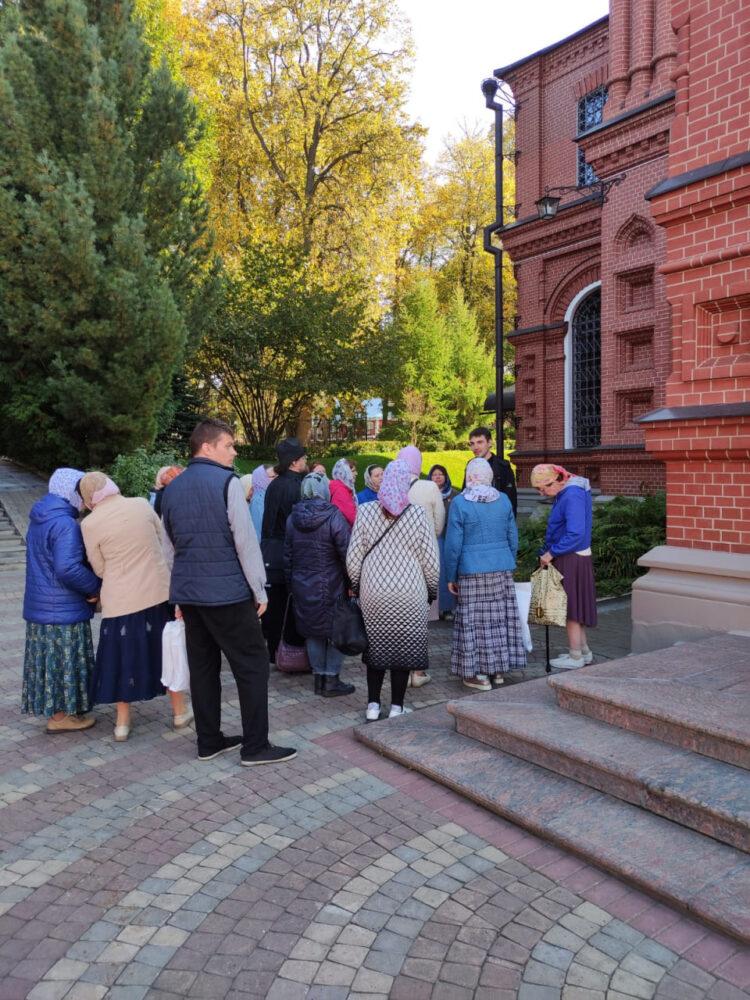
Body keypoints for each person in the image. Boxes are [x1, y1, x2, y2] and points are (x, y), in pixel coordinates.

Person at [161, 419, 296, 766]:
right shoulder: (227, 483)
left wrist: (176, 595)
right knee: (252, 666)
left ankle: (208, 740)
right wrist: (259, 590)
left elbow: (168, 548)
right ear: (207, 447)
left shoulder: (171, 489)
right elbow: (245, 541)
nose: (235, 451)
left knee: (204, 668)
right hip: (228, 594)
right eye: (229, 445)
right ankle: (255, 747)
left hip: (190, 594)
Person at [79, 472, 190, 741]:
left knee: (121, 657)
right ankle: (179, 712)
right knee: (167, 652)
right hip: (157, 592)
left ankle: (122, 723)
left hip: (120, 600)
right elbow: (163, 542)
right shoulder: (141, 504)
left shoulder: (89, 524)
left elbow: (99, 566)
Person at [347, 460, 439, 722]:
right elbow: (430, 560)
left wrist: (357, 586)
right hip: (410, 592)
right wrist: (431, 590)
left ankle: (373, 706)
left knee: (376, 648)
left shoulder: (364, 511)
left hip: (374, 592)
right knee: (403, 650)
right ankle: (397, 707)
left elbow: (353, 558)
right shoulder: (418, 514)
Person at [22, 468, 100, 733]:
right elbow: (67, 568)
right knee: (64, 661)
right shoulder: (65, 524)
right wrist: (94, 587)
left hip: (41, 607)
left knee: (50, 663)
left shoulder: (40, 518)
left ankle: (58, 712)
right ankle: (61, 718)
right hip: (62, 608)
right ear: (70, 492)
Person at [444, 458, 526, 690]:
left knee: (475, 623)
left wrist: (451, 575)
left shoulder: (460, 503)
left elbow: (453, 544)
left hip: (472, 570)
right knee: (499, 620)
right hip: (501, 567)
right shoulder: (503, 501)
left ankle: (477, 673)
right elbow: (512, 535)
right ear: (488, 476)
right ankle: (498, 670)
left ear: (470, 476)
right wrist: (509, 558)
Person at [284, 472, 355, 697]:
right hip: (331, 583)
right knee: (336, 631)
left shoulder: (292, 518)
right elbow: (346, 552)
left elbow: (288, 555)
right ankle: (331, 680)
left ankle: (319, 679)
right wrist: (353, 581)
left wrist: (291, 584)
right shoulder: (334, 516)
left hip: (302, 584)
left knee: (312, 631)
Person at [531, 463, 597, 669]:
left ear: (559, 479)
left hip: (571, 557)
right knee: (575, 607)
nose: (544, 492)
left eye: (545, 487)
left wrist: (551, 553)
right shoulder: (568, 491)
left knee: (571, 608)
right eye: (539, 489)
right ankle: (583, 652)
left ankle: (575, 657)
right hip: (573, 556)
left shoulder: (571, 495)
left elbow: (575, 533)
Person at [396, 446, 444, 687]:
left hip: (397, 560)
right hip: (425, 558)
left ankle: (400, 670)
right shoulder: (429, 487)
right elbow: (438, 525)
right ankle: (417, 671)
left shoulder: (391, 484)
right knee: (420, 617)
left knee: (399, 617)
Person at [261, 438, 308, 663]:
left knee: (275, 607)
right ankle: (289, 653)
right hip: (289, 553)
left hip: (270, 553)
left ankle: (273, 652)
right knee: (290, 607)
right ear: (293, 463)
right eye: (303, 458)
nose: (306, 461)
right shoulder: (296, 486)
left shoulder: (274, 485)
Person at [464, 426, 518, 516]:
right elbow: (465, 490)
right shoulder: (471, 465)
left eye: (480, 442)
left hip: (496, 517)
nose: (475, 447)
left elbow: (511, 498)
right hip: (474, 517)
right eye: (472, 444)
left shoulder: (503, 466)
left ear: (489, 443)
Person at [428, 464, 458, 619]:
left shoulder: (454, 494)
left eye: (441, 474)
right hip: (433, 538)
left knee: (448, 572)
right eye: (434, 474)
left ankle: (448, 608)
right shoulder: (426, 493)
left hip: (450, 537)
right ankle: (433, 609)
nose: (438, 477)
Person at [249, 464, 276, 539]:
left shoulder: (268, 495)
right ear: (261, 479)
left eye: (277, 476)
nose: (276, 479)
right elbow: (257, 531)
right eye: (273, 477)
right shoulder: (258, 500)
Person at [330, 458, 358, 527]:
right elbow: (353, 518)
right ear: (345, 472)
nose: (356, 473)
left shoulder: (343, 488)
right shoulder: (341, 491)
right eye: (353, 471)